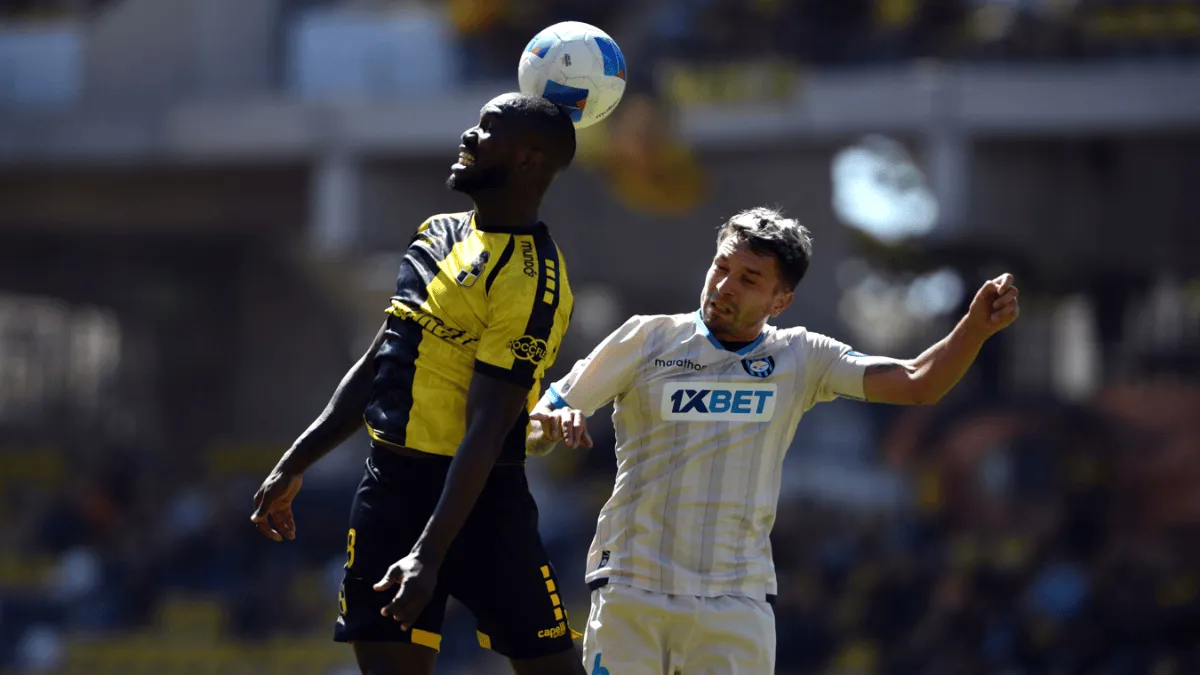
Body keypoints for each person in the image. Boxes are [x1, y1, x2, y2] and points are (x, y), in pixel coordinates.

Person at [526, 206, 1020, 675]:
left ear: (779, 301)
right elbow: (544, 413)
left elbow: (918, 382)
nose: (724, 285)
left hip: (735, 600)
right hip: (633, 587)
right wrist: (548, 425)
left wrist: (974, 330)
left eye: (749, 280)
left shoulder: (801, 356)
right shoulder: (647, 338)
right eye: (721, 267)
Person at [250, 93, 586, 675]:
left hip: (482, 501)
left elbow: (489, 426)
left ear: (529, 160)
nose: (469, 135)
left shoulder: (534, 282)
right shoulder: (435, 234)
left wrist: (428, 556)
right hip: (390, 486)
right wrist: (294, 462)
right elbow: (383, 360)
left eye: (488, 128)